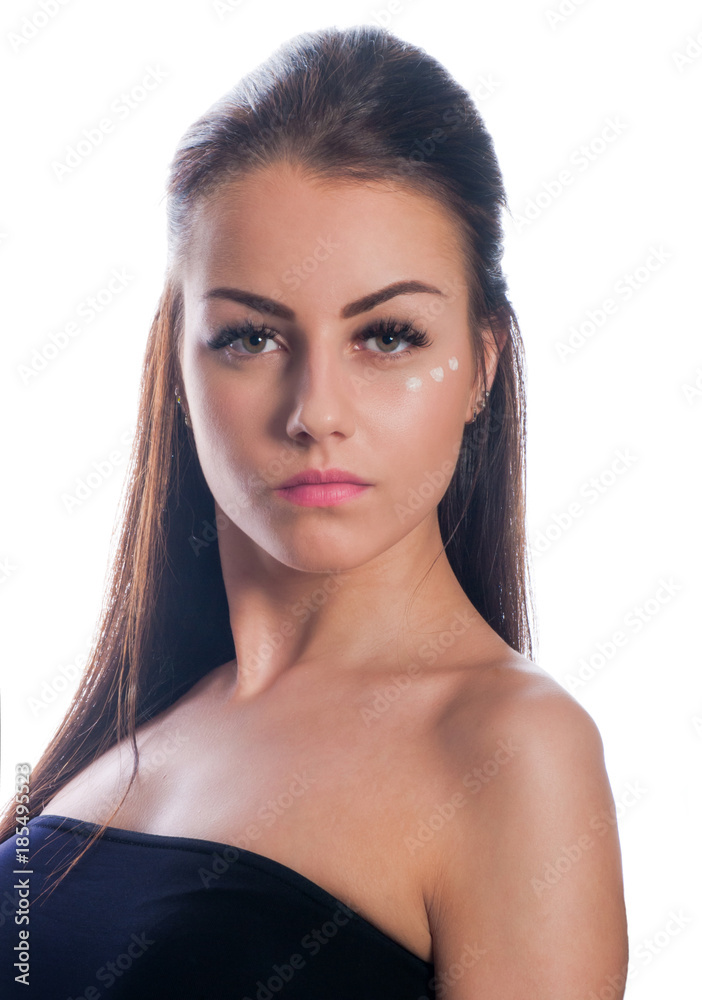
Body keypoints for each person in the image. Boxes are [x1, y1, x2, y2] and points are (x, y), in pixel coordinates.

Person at [0, 23, 628, 999]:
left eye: (387, 335)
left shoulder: (508, 751)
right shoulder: (132, 720)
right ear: (178, 361)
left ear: (483, 364)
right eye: (250, 335)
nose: (315, 413)